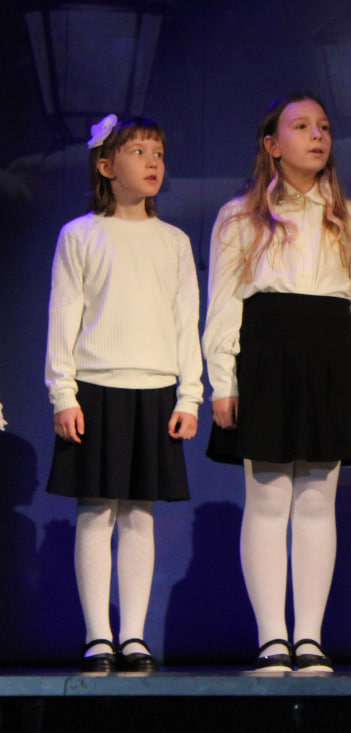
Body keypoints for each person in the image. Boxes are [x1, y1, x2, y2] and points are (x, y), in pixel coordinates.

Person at [203, 93, 351, 672]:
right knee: (267, 499)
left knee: (317, 501)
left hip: (329, 354)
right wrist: (223, 380)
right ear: (272, 144)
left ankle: (309, 637)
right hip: (266, 351)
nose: (317, 135)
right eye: (302, 126)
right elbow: (223, 303)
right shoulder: (239, 217)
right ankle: (272, 637)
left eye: (324, 127)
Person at [45, 114, 202, 673]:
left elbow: (186, 322)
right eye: (138, 151)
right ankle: (97, 636)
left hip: (155, 389)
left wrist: (189, 396)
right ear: (107, 166)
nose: (153, 161)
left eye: (158, 152)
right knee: (96, 511)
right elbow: (64, 315)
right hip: (96, 388)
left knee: (139, 513)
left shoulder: (174, 241)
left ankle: (133, 636)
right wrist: (64, 393)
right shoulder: (80, 235)